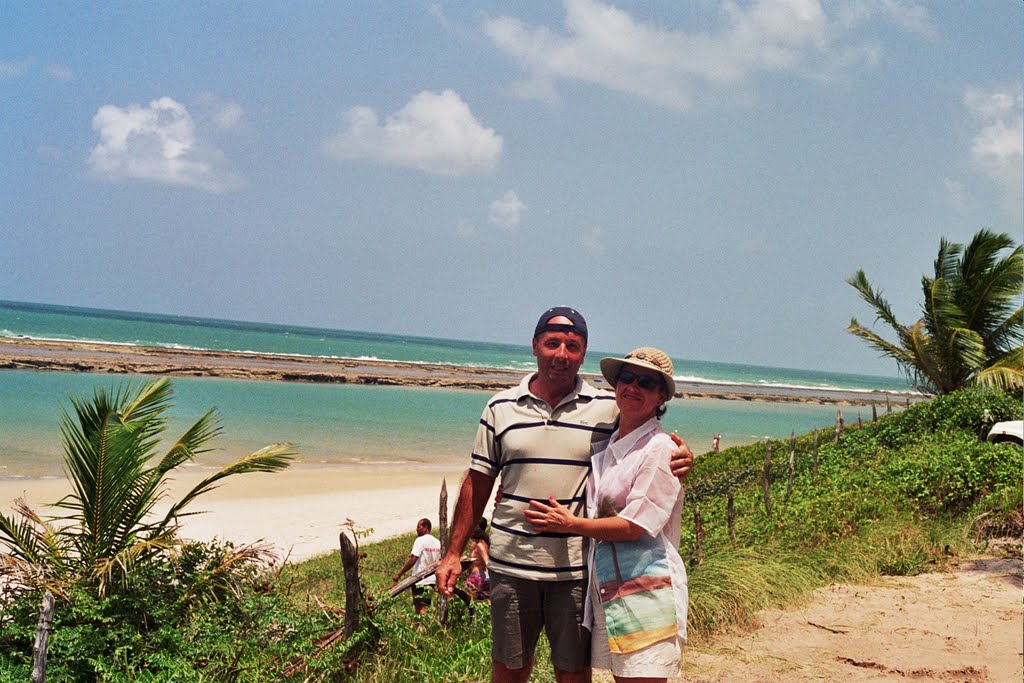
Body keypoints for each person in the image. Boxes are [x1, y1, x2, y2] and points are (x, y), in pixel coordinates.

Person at [435, 306, 694, 683]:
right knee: (508, 671)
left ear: (583, 353)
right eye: (552, 343)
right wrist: (454, 553)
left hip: (576, 573)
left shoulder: (608, 409)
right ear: (535, 346)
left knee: (573, 675)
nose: (561, 354)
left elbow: (649, 441)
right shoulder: (500, 407)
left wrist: (685, 456)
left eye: (572, 346)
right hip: (511, 566)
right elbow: (478, 481)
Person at [525, 347, 687, 682]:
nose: (633, 387)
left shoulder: (660, 449)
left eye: (646, 382)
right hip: (612, 589)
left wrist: (570, 524)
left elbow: (634, 526)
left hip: (647, 586)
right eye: (627, 378)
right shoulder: (612, 442)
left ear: (661, 397)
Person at [392, 518, 442, 615]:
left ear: (426, 528)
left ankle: (422, 629)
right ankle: (420, 628)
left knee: (420, 608)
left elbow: (413, 559)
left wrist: (399, 574)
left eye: (419, 527)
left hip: (419, 580)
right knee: (423, 606)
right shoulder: (437, 542)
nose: (416, 529)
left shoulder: (420, 540)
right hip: (431, 580)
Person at [466, 518, 491, 601]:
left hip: (477, 577)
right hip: (482, 576)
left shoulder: (479, 544)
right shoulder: (485, 543)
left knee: (473, 601)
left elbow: (486, 560)